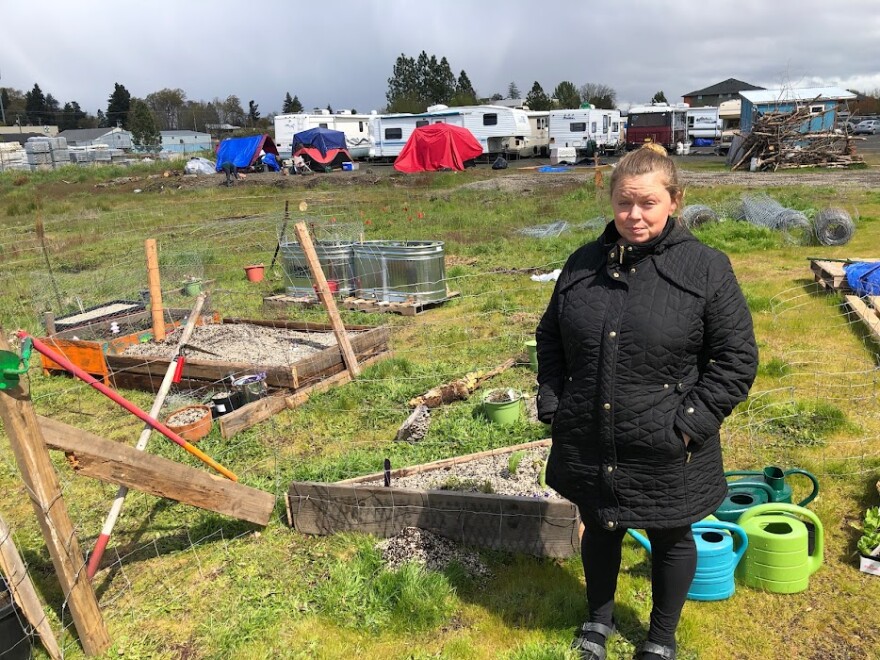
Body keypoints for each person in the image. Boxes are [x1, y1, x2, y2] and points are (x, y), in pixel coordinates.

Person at [535, 143, 758, 660]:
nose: (634, 216)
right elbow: (549, 337)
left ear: (674, 201)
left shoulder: (705, 268)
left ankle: (660, 637)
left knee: (670, 534)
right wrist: (554, 399)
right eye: (623, 204)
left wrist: (689, 424)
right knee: (601, 525)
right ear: (611, 202)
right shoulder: (582, 264)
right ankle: (598, 620)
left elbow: (736, 357)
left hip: (668, 442)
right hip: (590, 430)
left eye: (648, 203)